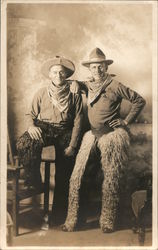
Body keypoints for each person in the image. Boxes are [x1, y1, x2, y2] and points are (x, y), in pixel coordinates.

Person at [62, 48, 146, 233]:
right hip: (91, 134)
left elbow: (139, 100)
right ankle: (73, 220)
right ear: (90, 69)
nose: (97, 70)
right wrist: (75, 83)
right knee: (77, 177)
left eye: (100, 67)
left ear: (106, 67)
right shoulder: (88, 85)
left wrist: (125, 121)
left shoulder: (115, 85)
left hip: (112, 135)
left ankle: (108, 221)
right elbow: (72, 83)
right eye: (93, 67)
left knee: (111, 178)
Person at [16, 55, 84, 225]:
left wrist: (73, 145)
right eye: (54, 72)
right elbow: (29, 114)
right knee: (24, 142)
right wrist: (31, 126)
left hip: (65, 129)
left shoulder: (74, 93)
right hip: (45, 127)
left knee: (66, 164)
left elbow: (78, 120)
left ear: (66, 75)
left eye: (62, 72)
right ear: (50, 75)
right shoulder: (41, 92)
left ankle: (59, 216)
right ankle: (34, 182)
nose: (58, 75)